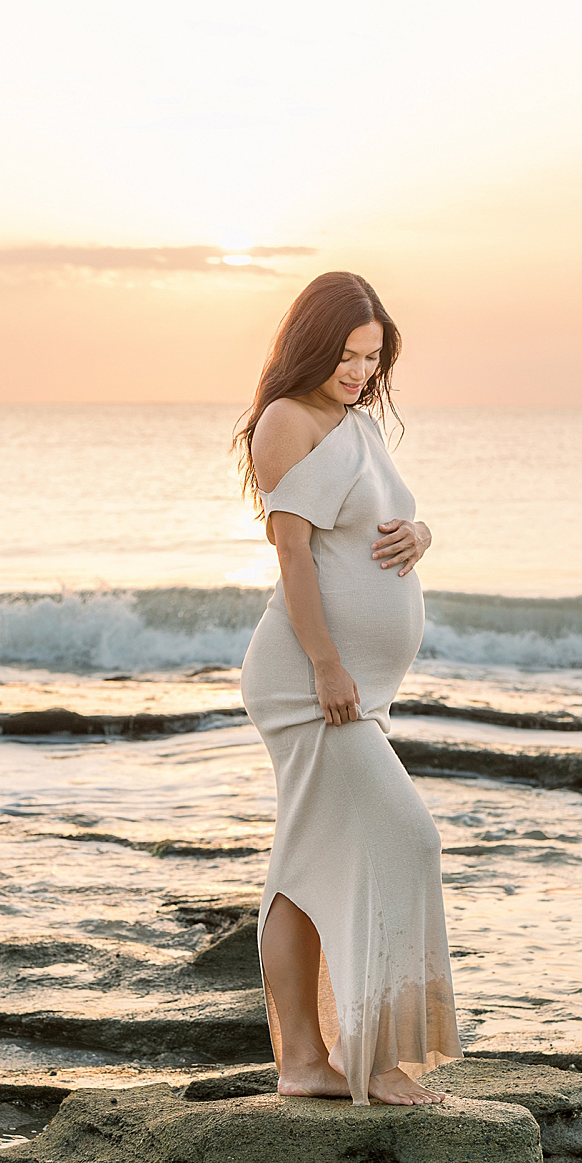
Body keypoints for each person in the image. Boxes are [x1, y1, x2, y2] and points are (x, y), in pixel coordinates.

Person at [232, 271, 459, 1104]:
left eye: (372, 358)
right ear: (312, 342)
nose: (361, 371)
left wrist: (422, 533)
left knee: (300, 861)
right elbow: (293, 554)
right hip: (308, 678)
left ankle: (302, 1063)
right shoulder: (286, 421)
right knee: (409, 839)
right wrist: (328, 661)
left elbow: (375, 526)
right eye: (348, 354)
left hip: (348, 684)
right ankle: (380, 1059)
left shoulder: (357, 424)